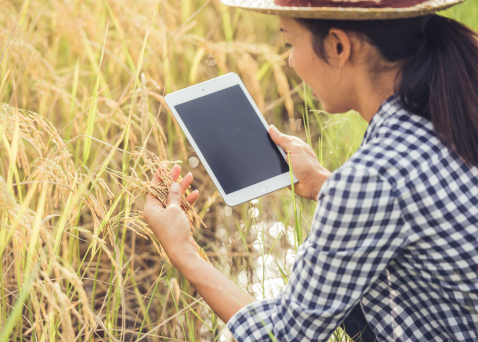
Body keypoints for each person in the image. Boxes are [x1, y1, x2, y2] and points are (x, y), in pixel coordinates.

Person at [143, 0, 478, 340]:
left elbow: (284, 335)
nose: (290, 60)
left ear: (337, 46)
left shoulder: (373, 177)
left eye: (290, 43)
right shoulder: (452, 108)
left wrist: (183, 251)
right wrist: (324, 186)